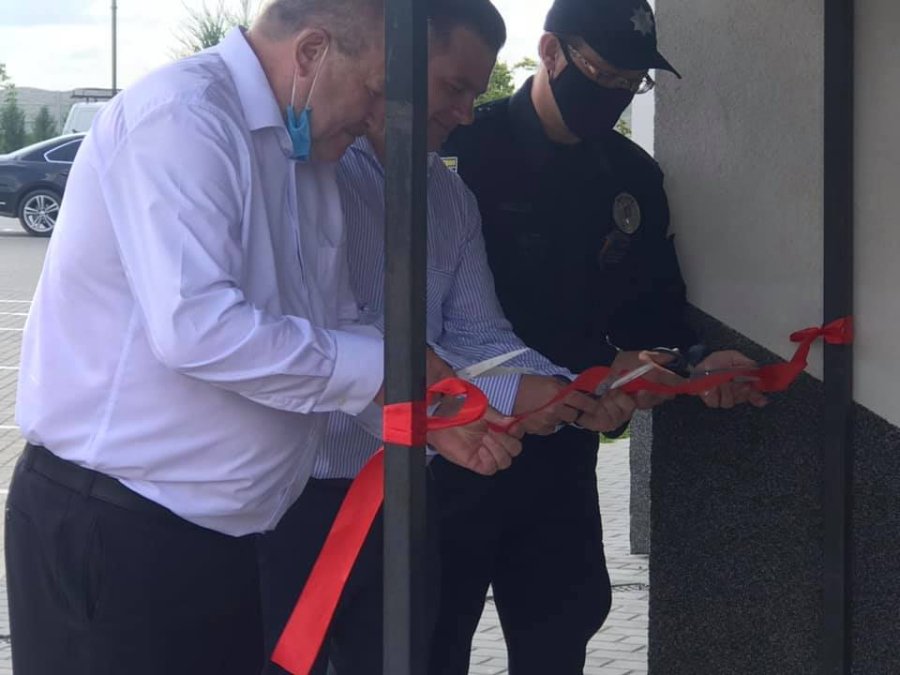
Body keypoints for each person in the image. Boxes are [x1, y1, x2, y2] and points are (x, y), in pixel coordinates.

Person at [6, 2, 523, 673]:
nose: (379, 118)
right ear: (311, 53)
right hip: (118, 529)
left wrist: (422, 415)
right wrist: (387, 370)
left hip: (225, 540)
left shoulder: (306, 153)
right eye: (375, 91)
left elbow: (333, 322)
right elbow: (197, 329)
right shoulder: (184, 117)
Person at [256, 1, 640, 673]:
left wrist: (560, 391)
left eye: (476, 91)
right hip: (293, 493)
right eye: (453, 87)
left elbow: (481, 334)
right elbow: (320, 330)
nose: (465, 113)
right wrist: (499, 393)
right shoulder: (312, 173)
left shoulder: (449, 195)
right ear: (394, 64)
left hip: (407, 492)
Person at [429, 0, 769, 673]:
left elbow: (654, 312)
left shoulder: (631, 177)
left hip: (564, 455)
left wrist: (695, 365)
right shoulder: (461, 148)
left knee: (560, 634)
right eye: (604, 74)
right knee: (427, 640)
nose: (614, 95)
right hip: (456, 449)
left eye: (631, 84)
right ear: (551, 52)